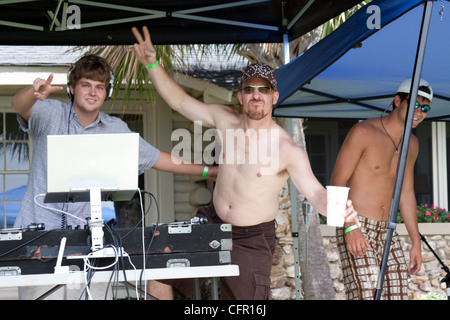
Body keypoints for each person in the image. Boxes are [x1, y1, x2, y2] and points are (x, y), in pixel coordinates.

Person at [131, 26, 359, 300]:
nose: (256, 95)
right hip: (212, 221)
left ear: (274, 97)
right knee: (160, 264)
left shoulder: (286, 149)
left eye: (264, 90)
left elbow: (315, 193)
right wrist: (152, 63)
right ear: (240, 96)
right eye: (249, 89)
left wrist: (341, 211)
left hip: (252, 238)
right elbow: (180, 101)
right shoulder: (225, 120)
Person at [11, 54, 215, 299]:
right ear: (72, 88)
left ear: (106, 93)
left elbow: (157, 158)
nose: (93, 92)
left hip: (89, 245)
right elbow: (18, 105)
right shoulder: (50, 113)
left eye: (100, 87)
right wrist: (33, 93)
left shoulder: (116, 128)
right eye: (86, 85)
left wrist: (207, 171)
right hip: (38, 241)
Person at [330, 78, 432, 300]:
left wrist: (416, 243)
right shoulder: (363, 131)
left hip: (388, 230)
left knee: (397, 296)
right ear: (398, 100)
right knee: (366, 294)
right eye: (415, 103)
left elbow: (406, 194)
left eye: (425, 107)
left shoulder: (412, 143)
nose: (420, 111)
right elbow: (337, 181)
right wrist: (350, 226)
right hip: (358, 223)